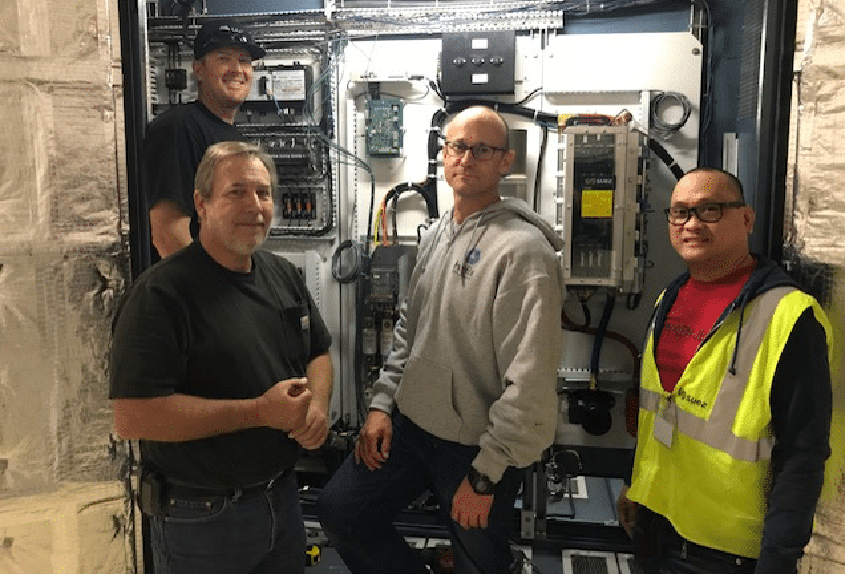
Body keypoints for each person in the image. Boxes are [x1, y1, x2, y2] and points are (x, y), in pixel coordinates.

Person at [317, 106, 565, 574]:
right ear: (442, 156)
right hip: (412, 428)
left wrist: (487, 476)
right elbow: (410, 328)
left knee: (480, 563)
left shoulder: (524, 252)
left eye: (482, 149)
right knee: (341, 511)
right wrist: (380, 405)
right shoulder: (435, 235)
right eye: (456, 146)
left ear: (505, 162)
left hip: (477, 448)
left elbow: (530, 380)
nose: (466, 158)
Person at [109, 141, 333, 574]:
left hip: (283, 502)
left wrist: (318, 407)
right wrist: (259, 413)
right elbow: (134, 417)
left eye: (264, 193)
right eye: (236, 192)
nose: (255, 205)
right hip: (202, 518)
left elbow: (319, 352)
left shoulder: (281, 275)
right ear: (202, 203)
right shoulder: (163, 294)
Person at [616, 168, 833, 574]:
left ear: (746, 218)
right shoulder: (670, 297)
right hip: (655, 527)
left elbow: (803, 456)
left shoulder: (789, 317)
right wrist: (636, 484)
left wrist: (778, 561)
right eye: (680, 213)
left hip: (725, 552)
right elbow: (662, 414)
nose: (692, 224)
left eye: (709, 210)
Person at [143, 19, 265, 260]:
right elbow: (168, 235)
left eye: (244, 61)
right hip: (191, 293)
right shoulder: (178, 128)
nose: (237, 69)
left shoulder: (235, 138)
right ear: (198, 70)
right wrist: (208, 294)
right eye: (223, 58)